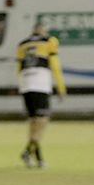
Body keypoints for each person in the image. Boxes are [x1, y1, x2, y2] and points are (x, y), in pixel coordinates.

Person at [16, 23, 66, 168]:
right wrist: (61, 87)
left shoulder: (22, 45)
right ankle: (27, 150)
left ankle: (38, 158)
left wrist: (21, 86)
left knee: (33, 123)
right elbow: (55, 65)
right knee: (42, 121)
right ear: (43, 30)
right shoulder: (49, 41)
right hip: (40, 84)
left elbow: (19, 68)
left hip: (25, 85)